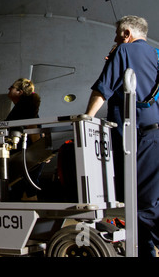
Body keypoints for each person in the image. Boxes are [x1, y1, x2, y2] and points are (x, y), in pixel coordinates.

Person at [85, 15, 159, 257]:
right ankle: (146, 252)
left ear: (127, 33)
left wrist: (86, 117)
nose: (115, 38)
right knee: (149, 201)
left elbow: (102, 88)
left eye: (117, 34)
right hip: (155, 134)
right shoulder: (154, 55)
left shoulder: (123, 51)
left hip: (138, 138)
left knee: (139, 205)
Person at [5, 78, 42, 201]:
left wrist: (40, 153)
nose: (9, 88)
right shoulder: (23, 107)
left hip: (26, 160)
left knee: (26, 195)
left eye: (12, 87)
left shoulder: (25, 108)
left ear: (20, 92)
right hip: (24, 158)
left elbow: (33, 130)